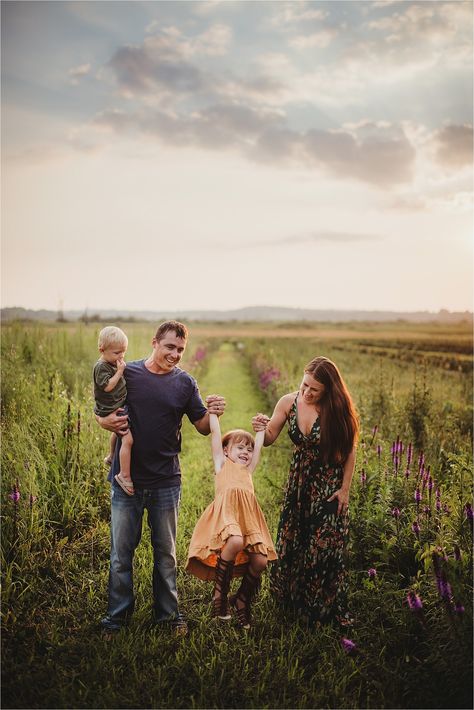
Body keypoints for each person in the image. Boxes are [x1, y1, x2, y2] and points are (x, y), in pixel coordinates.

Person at [96, 320, 225, 634]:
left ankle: (167, 616)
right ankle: (117, 617)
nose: (175, 354)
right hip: (127, 481)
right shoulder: (130, 373)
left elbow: (202, 426)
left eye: (180, 349)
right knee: (120, 554)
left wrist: (214, 413)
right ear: (154, 342)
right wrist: (105, 424)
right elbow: (103, 412)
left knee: (165, 554)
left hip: (166, 479)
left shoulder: (185, 384)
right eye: (170, 346)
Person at [252, 356, 359, 627]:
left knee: (322, 547)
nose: (307, 392)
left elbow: (349, 451)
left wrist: (344, 490)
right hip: (299, 485)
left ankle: (318, 608)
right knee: (294, 540)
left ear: (328, 390)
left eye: (314, 389)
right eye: (305, 384)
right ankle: (292, 600)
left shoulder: (337, 408)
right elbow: (271, 436)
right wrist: (261, 429)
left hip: (328, 487)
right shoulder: (289, 402)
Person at [186, 413, 276, 629]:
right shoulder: (221, 464)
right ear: (226, 451)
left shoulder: (248, 470)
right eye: (240, 447)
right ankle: (220, 595)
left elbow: (259, 447)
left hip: (248, 517)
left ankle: (241, 600)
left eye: (249, 448)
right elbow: (216, 435)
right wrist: (214, 415)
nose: (246, 452)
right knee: (234, 541)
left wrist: (261, 429)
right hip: (227, 514)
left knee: (261, 561)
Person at [93, 326, 134, 495]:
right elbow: (108, 386)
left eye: (123, 352)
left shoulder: (110, 362)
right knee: (128, 440)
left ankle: (111, 457)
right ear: (102, 350)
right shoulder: (101, 367)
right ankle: (124, 475)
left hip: (115, 405)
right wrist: (119, 372)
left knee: (117, 434)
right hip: (111, 408)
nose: (121, 357)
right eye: (117, 353)